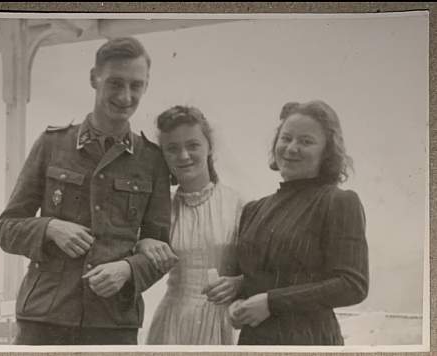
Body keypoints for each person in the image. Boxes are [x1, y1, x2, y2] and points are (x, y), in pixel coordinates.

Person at [0, 37, 174, 345]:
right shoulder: (52, 145)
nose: (125, 96)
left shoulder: (152, 160)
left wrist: (128, 270)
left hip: (113, 324)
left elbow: (160, 251)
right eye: (115, 83)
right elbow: (6, 229)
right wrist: (50, 227)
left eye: (136, 85)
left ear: (146, 85)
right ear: (94, 78)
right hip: (44, 319)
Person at [229, 100, 369, 345]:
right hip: (255, 339)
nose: (292, 148)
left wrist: (272, 303)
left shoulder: (338, 202)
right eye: (286, 138)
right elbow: (252, 279)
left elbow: (352, 284)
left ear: (327, 152)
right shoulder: (253, 209)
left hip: (309, 339)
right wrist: (237, 304)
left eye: (306, 141)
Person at [136, 105, 245, 344]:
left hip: (222, 321)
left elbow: (259, 267)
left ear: (209, 147)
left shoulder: (238, 203)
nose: (184, 156)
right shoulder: (160, 209)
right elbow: (139, 260)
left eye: (193, 145)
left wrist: (239, 283)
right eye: (172, 149)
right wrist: (143, 242)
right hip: (173, 321)